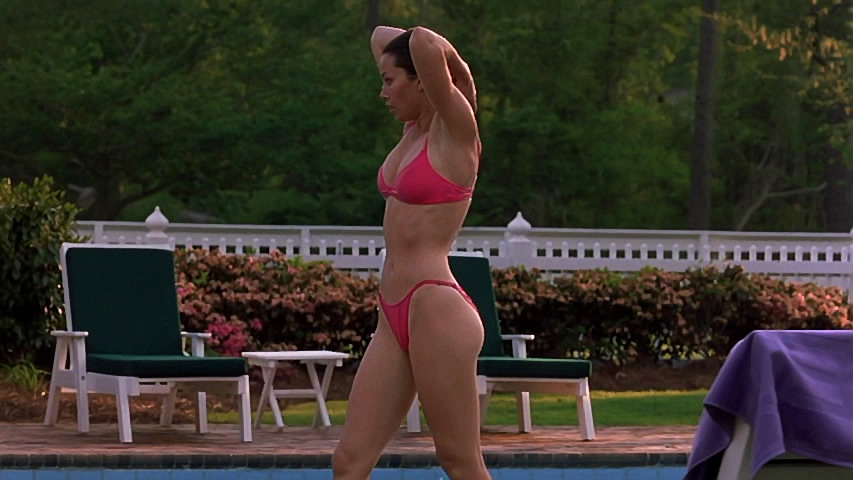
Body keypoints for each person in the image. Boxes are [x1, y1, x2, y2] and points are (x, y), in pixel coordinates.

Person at [332, 25, 490, 480]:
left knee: (459, 461)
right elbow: (381, 35)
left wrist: (457, 74)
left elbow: (421, 40)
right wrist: (407, 63)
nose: (383, 93)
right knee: (349, 461)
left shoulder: (455, 132)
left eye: (389, 81)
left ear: (422, 81)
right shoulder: (411, 133)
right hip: (392, 313)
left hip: (435, 307)